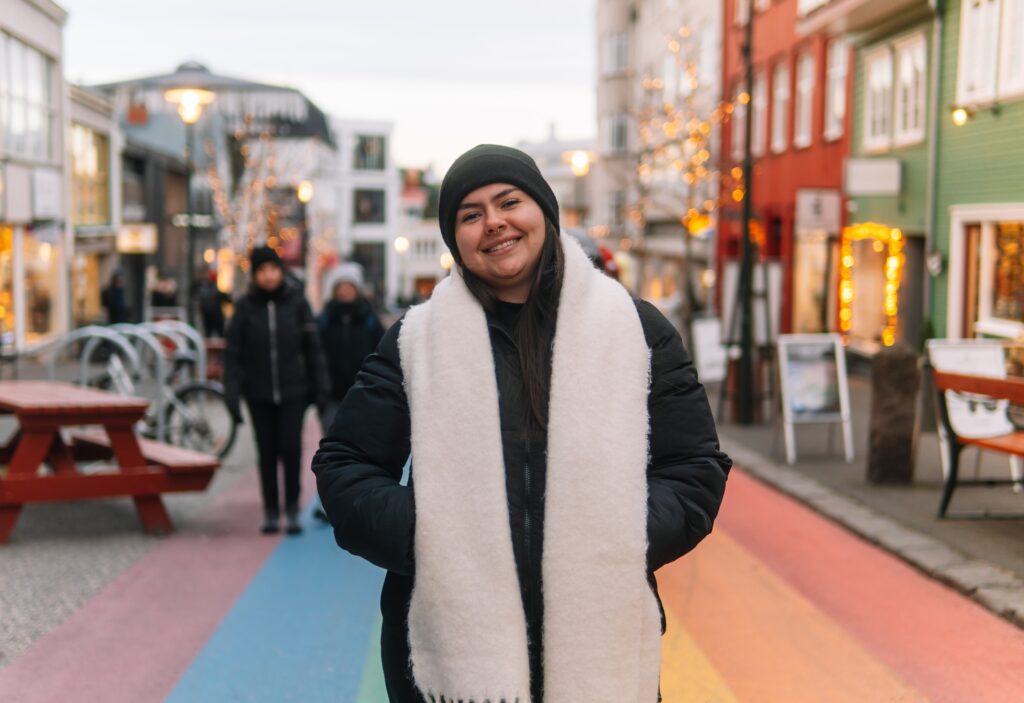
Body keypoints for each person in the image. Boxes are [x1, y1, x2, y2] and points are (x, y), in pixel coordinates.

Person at [312, 145, 730, 702]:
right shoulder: (416, 340)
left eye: (510, 201)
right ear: (454, 238)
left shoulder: (634, 329)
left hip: (601, 636)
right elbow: (345, 466)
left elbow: (694, 466)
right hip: (451, 652)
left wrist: (621, 536)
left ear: (545, 212)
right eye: (470, 214)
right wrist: (433, 537)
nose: (494, 223)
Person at [224, 245, 328, 535]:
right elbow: (233, 353)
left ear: (280, 271)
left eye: (273, 269)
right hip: (259, 393)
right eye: (262, 271)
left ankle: (292, 507)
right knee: (267, 451)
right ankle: (271, 509)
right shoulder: (245, 307)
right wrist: (231, 392)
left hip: (294, 390)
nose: (269, 276)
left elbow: (313, 348)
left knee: (291, 448)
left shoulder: (296, 303)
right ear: (255, 275)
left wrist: (321, 389)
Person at [317, 263, 385, 429]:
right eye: (341, 286)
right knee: (331, 440)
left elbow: (382, 354)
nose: (344, 290)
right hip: (331, 395)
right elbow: (316, 354)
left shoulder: (370, 319)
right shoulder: (324, 319)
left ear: (357, 289)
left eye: (349, 286)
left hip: (363, 393)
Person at [196, 269, 231, 338]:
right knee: (217, 334)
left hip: (210, 316)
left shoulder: (205, 289)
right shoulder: (209, 290)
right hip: (214, 316)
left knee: (210, 334)